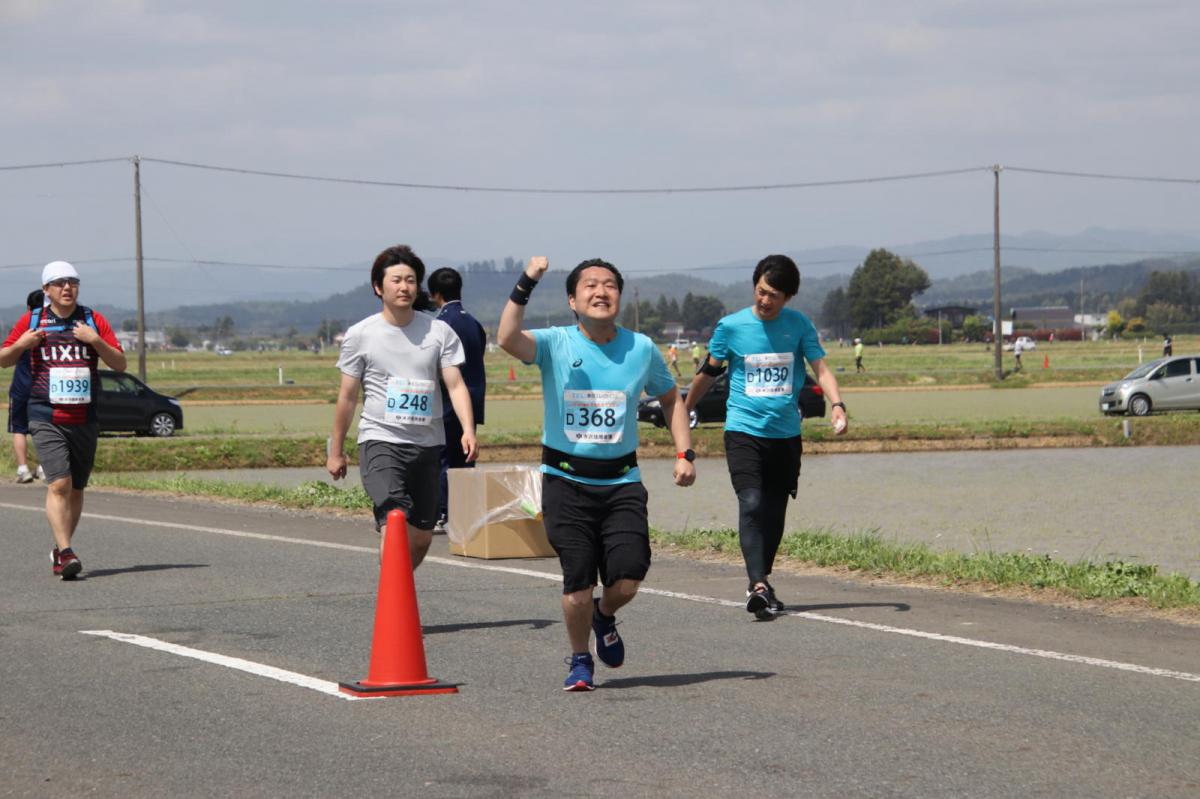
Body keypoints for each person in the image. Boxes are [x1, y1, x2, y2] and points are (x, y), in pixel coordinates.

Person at [498, 256, 695, 692]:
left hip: (622, 482)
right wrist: (527, 281)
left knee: (628, 576)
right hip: (565, 480)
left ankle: (605, 616)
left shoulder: (640, 348)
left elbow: (670, 398)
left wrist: (685, 452)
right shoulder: (555, 343)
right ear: (572, 299)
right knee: (578, 585)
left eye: (609, 285)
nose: (600, 292)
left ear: (619, 296)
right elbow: (507, 337)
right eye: (589, 285)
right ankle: (580, 658)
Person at [685, 254, 847, 619]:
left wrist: (837, 404)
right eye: (761, 291)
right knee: (752, 501)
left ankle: (763, 579)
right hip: (743, 429)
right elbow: (708, 372)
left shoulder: (799, 325)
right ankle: (757, 585)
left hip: (786, 434)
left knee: (774, 511)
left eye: (774, 295)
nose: (765, 300)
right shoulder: (731, 327)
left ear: (788, 297)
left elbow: (820, 369)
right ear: (754, 286)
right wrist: (684, 406)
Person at [326, 245, 479, 568]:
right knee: (394, 516)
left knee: (422, 536)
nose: (404, 287)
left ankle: (398, 596)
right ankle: (393, 608)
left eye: (410, 280)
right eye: (396, 280)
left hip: (428, 444)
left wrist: (467, 429)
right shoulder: (361, 335)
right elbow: (347, 397)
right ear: (378, 288)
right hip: (380, 439)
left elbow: (455, 384)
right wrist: (335, 450)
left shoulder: (439, 332)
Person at [0, 262, 127, 580]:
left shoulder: (92, 320)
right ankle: (67, 552)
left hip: (84, 416)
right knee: (59, 483)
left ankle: (60, 548)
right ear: (46, 290)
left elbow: (120, 363)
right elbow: (3, 359)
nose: (67, 288)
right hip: (45, 414)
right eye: (59, 283)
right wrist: (21, 345)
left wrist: (94, 340)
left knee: (77, 488)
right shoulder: (32, 320)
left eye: (72, 282)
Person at [427, 266, 487, 532]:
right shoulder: (474, 323)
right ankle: (466, 512)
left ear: (435, 294)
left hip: (450, 399)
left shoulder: (440, 324)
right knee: (466, 455)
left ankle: (443, 512)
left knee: (444, 457)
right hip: (474, 397)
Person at [8, 290, 46, 483]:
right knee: (45, 428)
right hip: (45, 387)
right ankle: (43, 467)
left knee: (19, 428)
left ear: (28, 307)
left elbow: (8, 352)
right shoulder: (53, 324)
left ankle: (23, 469)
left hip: (22, 385)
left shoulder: (25, 323)